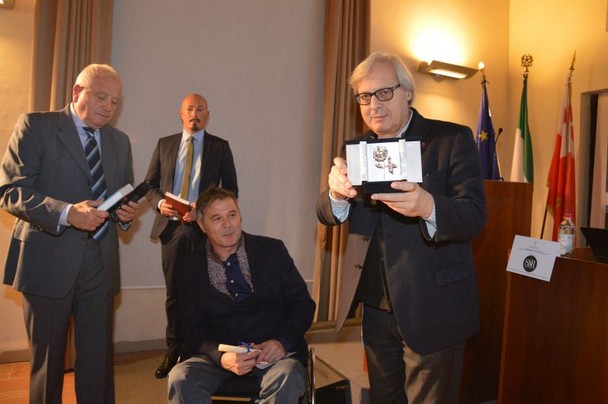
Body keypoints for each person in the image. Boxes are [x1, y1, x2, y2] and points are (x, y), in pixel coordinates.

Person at [316, 52, 487, 403]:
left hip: (432, 305)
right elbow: (325, 213)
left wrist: (428, 206)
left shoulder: (451, 139)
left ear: (407, 92)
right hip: (375, 306)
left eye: (384, 93)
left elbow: (474, 216)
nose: (373, 105)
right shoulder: (356, 148)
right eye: (365, 96)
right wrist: (335, 194)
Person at [0, 64, 139, 403]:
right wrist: (67, 213)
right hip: (48, 259)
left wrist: (125, 214)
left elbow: (121, 196)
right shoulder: (37, 126)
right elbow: (10, 191)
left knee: (98, 363)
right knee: (48, 364)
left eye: (115, 101)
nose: (109, 106)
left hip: (100, 264)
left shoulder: (120, 142)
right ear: (77, 92)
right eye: (102, 97)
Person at [167, 186, 315, 403]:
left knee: (287, 376)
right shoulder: (188, 267)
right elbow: (191, 327)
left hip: (274, 356)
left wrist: (281, 342)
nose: (227, 225)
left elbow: (303, 305)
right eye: (217, 218)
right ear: (202, 225)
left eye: (232, 215)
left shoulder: (272, 251)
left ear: (240, 216)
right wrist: (221, 357)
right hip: (217, 358)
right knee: (180, 378)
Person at [144, 93, 238, 378]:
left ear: (207, 115)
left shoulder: (220, 147)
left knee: (207, 290)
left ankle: (204, 350)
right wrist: (160, 204)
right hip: (171, 230)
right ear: (181, 113)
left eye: (200, 109)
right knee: (174, 294)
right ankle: (174, 350)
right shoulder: (165, 144)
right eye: (189, 109)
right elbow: (149, 185)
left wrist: (204, 206)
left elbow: (231, 189)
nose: (194, 114)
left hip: (204, 230)